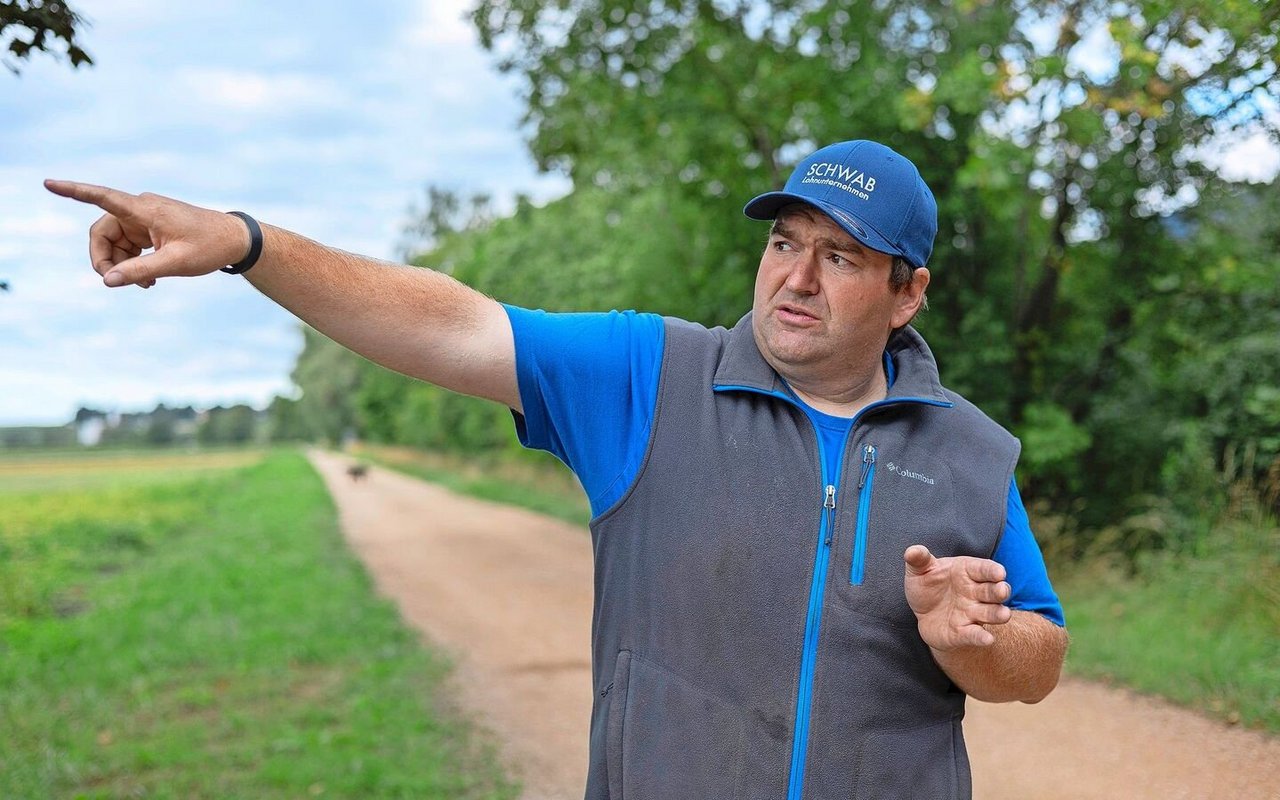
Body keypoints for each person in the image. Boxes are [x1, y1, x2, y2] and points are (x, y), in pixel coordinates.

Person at [47, 138, 1067, 799]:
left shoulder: (966, 448)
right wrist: (243, 241)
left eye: (839, 257)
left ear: (906, 292)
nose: (794, 277)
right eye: (785, 242)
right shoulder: (649, 376)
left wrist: (971, 638)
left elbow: (1036, 656)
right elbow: (446, 322)